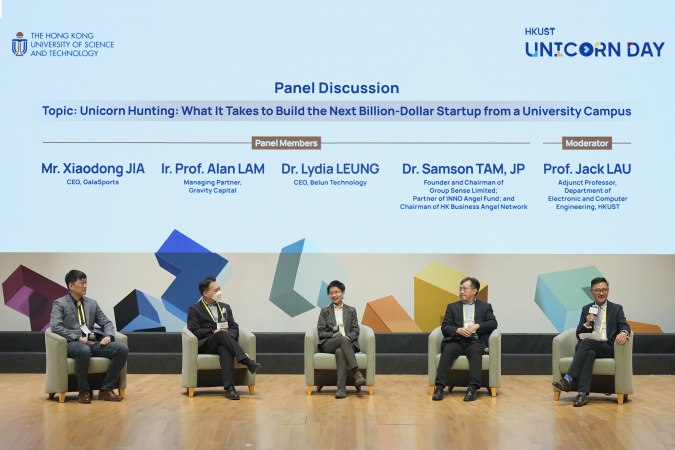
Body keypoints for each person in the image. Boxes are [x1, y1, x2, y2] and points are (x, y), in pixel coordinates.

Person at [50, 270, 129, 404]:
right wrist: (77, 338)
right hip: (73, 343)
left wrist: (109, 336)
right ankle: (83, 390)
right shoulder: (60, 303)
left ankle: (106, 389)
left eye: (86, 283)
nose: (85, 286)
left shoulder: (92, 303)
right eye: (82, 283)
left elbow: (107, 323)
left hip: (92, 341)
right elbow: (56, 327)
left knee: (122, 349)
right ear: (71, 286)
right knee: (83, 350)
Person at [552, 277, 631, 407]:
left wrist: (624, 332)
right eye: (598, 290)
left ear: (608, 290)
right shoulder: (586, 309)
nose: (601, 293)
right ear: (591, 292)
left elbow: (624, 325)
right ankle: (582, 394)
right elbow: (579, 333)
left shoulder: (616, 308)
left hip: (607, 347)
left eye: (604, 290)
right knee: (589, 351)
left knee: (587, 343)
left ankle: (568, 378)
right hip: (589, 346)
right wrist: (587, 323)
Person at [187, 276, 262, 400]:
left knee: (225, 348)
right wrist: (213, 331)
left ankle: (230, 389)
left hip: (224, 342)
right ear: (205, 293)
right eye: (215, 291)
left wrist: (229, 336)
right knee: (220, 334)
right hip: (206, 344)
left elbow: (233, 326)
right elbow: (194, 330)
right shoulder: (194, 309)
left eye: (219, 289)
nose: (219, 293)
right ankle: (247, 362)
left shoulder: (225, 307)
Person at [432, 277, 497, 402]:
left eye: (465, 289)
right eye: (460, 289)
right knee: (448, 349)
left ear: (474, 291)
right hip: (457, 340)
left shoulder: (485, 307)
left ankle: (472, 388)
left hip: (475, 341)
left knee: (476, 351)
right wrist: (458, 330)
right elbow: (445, 327)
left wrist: (477, 326)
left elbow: (493, 323)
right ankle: (439, 387)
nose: (461, 291)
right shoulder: (452, 307)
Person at [316, 280, 366, 399]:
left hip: (347, 343)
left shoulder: (351, 310)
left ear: (343, 293)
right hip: (329, 344)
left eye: (336, 292)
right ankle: (356, 373)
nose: (334, 295)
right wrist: (334, 336)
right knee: (341, 340)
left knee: (340, 351)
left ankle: (341, 389)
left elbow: (355, 330)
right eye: (331, 293)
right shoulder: (324, 311)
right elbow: (321, 332)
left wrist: (348, 337)